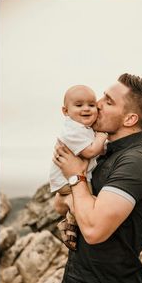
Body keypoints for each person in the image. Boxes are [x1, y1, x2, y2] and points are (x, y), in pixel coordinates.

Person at [53, 73, 142, 283]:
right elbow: (60, 205)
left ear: (130, 118)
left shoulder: (136, 162)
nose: (97, 103)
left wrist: (76, 178)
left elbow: (93, 230)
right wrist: (76, 190)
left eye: (109, 101)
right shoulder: (104, 154)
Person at [50, 85, 108, 251]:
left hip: (72, 177)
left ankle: (70, 223)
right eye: (79, 105)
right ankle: (69, 224)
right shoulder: (72, 131)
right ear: (65, 111)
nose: (86, 109)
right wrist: (102, 137)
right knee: (90, 205)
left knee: (84, 203)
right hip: (66, 180)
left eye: (91, 105)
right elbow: (90, 151)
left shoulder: (84, 129)